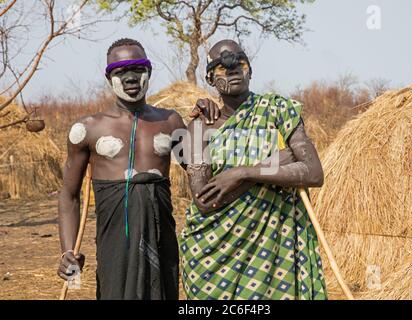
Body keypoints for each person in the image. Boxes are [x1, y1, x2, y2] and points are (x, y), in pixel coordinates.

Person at [56, 38, 220, 300]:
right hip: (115, 240)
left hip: (160, 235)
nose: (131, 77)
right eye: (121, 71)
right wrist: (67, 254)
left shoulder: (170, 121)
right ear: (109, 78)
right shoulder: (87, 128)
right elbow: (69, 195)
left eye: (138, 69)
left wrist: (207, 120)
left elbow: (199, 172)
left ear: (149, 72)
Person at [180, 39, 327, 300]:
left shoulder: (279, 112)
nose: (233, 68)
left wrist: (243, 173)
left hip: (276, 248)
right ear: (210, 78)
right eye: (222, 66)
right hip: (214, 253)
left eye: (240, 61)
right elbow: (204, 201)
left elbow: (313, 172)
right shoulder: (199, 129)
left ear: (250, 70)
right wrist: (276, 161)